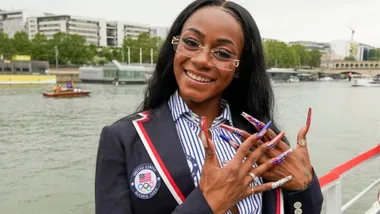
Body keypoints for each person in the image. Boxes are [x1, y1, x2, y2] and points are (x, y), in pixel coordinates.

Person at [95, 1, 323, 214]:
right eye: (191, 43)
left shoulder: (261, 137)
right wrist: (207, 204)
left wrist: (303, 185)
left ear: (240, 68)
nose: (202, 60)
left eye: (223, 53)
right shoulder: (124, 139)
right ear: (175, 46)